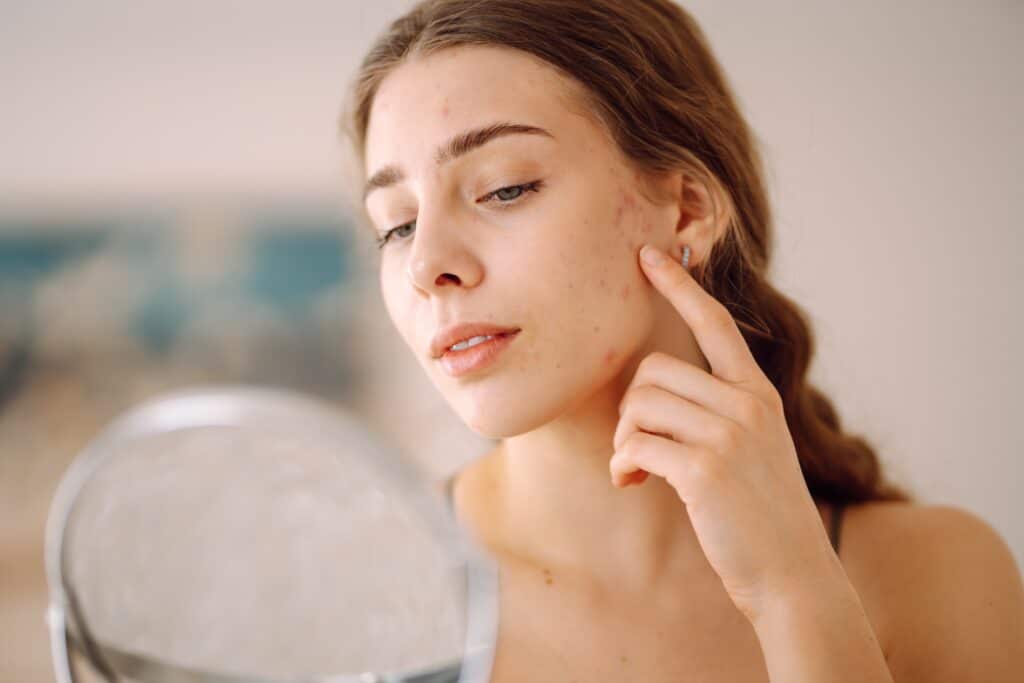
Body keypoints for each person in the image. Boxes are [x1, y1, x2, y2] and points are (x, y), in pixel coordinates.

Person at [340, 1, 1024, 680]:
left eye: (506, 188)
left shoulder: (937, 578)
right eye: (396, 225)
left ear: (688, 209)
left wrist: (793, 592)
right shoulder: (354, 594)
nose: (428, 265)